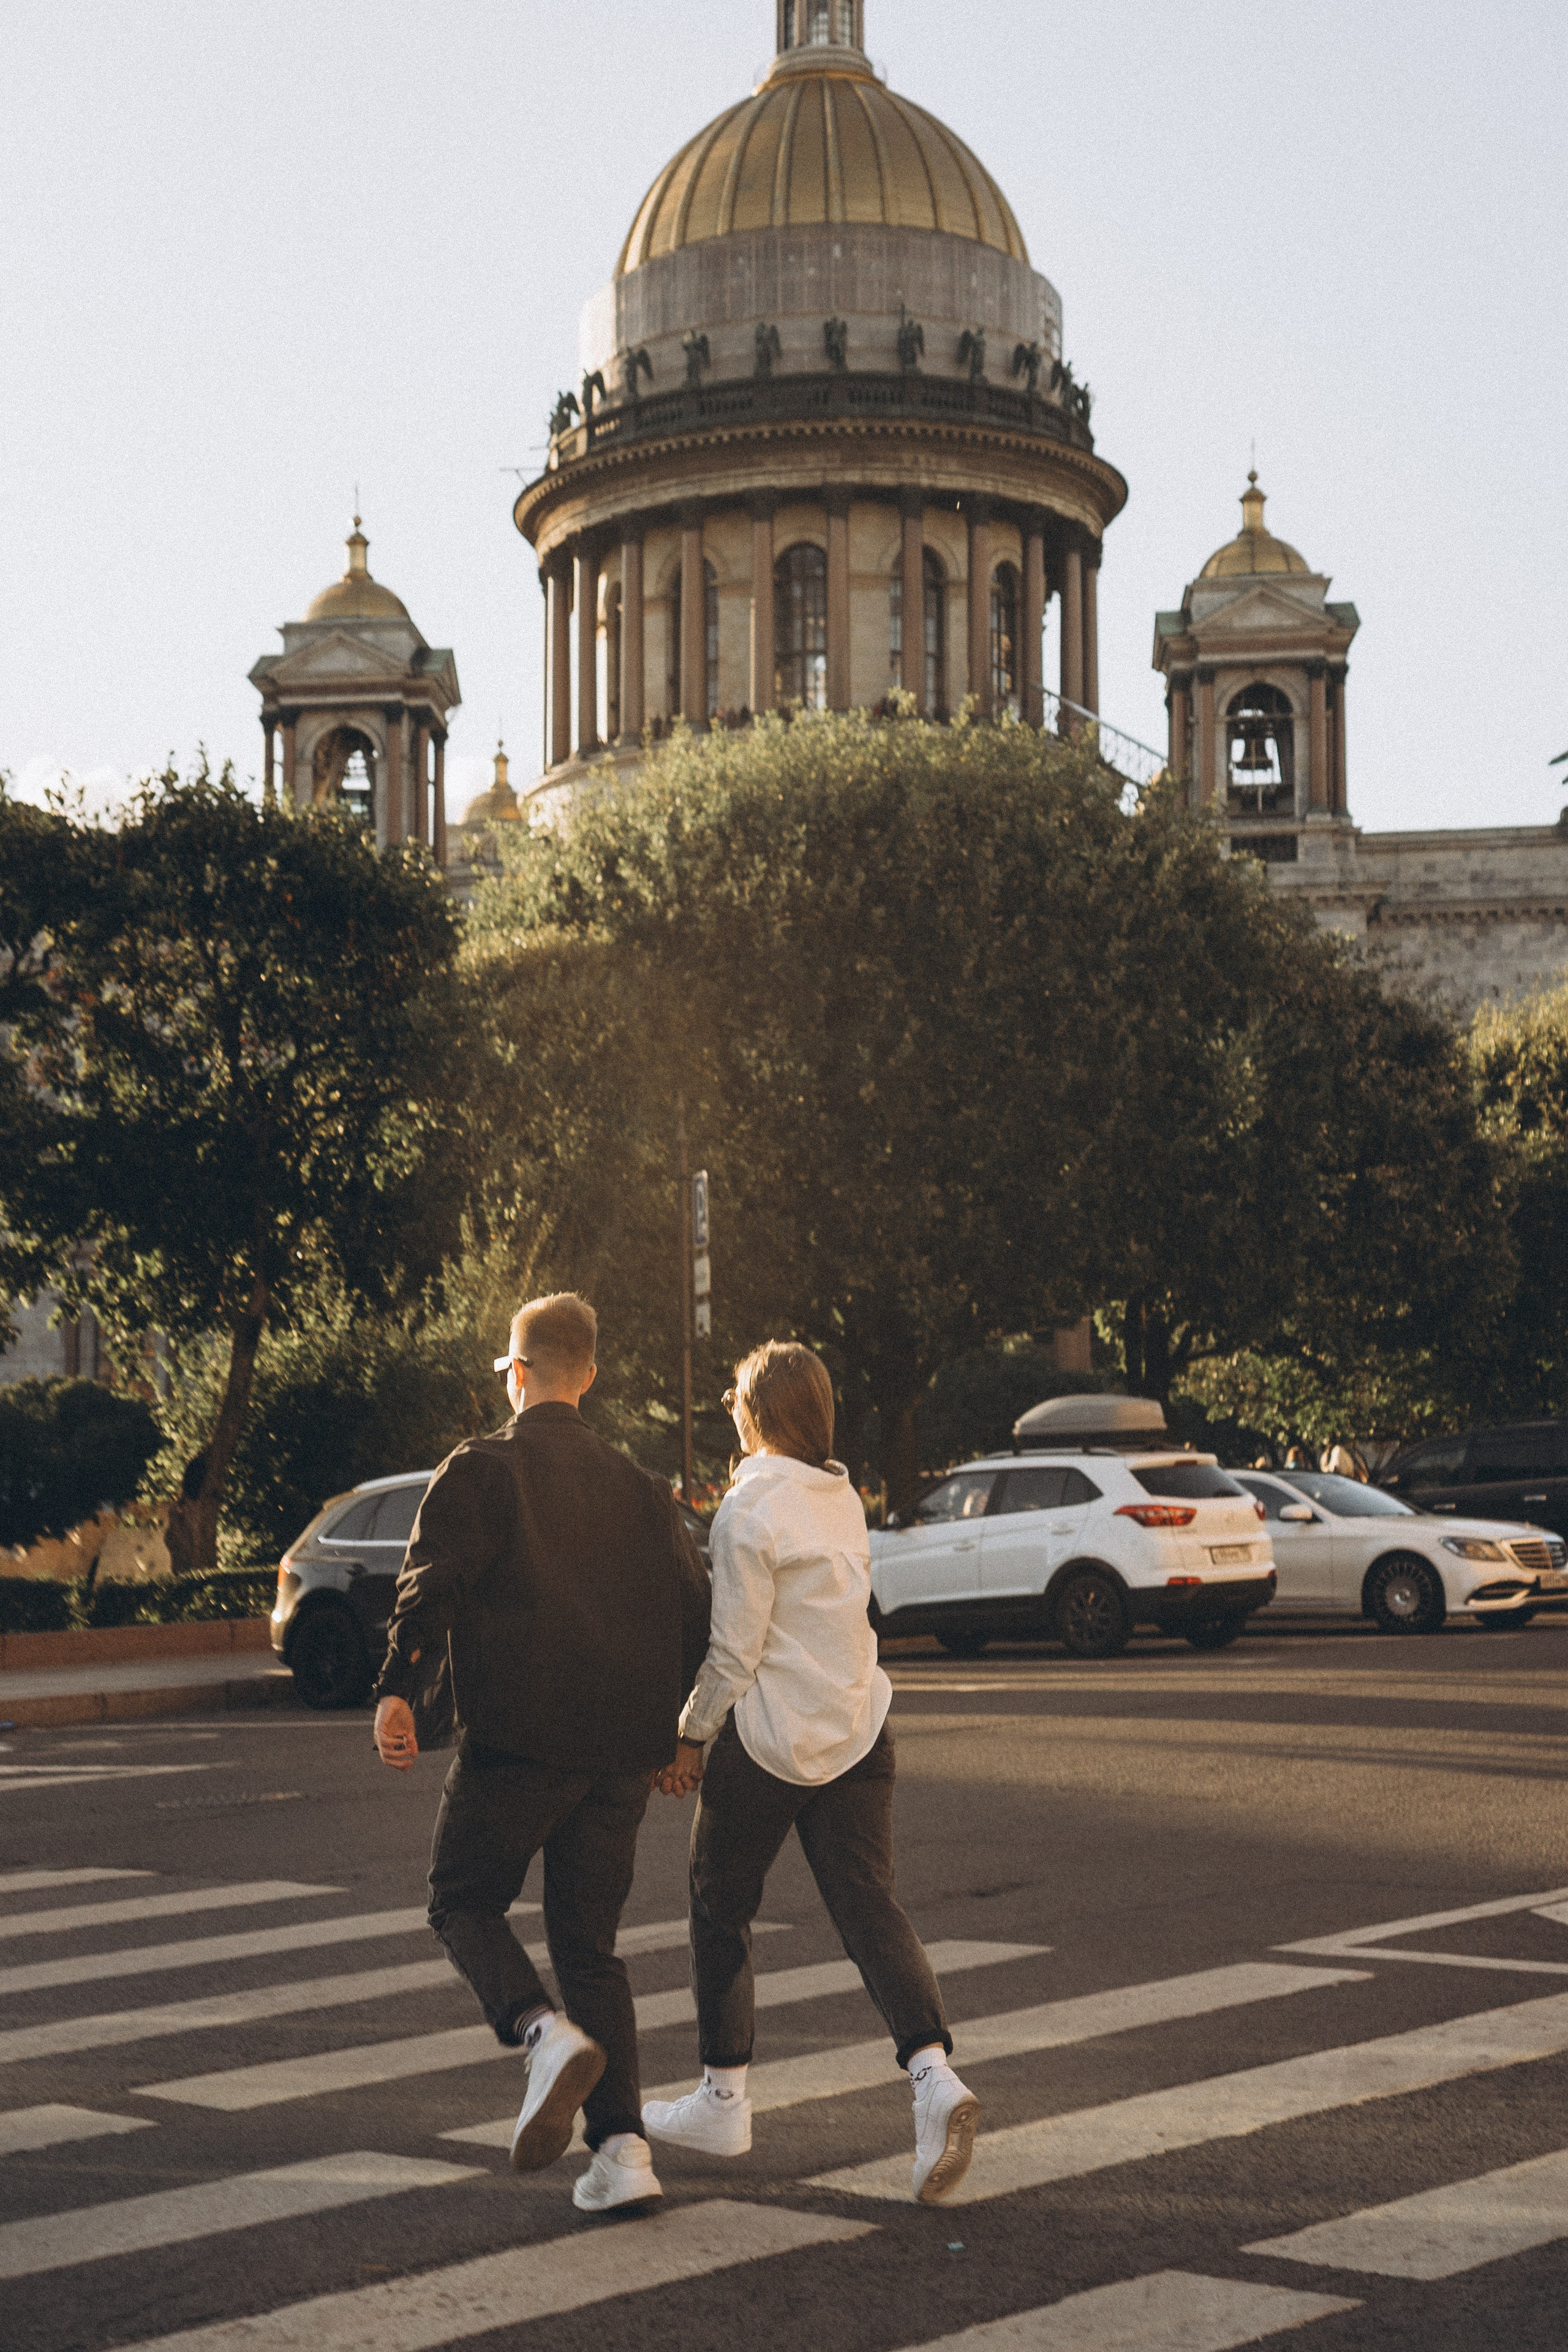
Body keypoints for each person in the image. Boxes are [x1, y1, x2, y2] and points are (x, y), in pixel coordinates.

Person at [372, 1292, 709, 2218]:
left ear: (517, 1373)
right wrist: (687, 1739)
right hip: (619, 1759)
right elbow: (697, 1616)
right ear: (589, 1375)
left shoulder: (483, 1470)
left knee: (461, 1897)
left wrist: (398, 1689)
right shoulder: (645, 1490)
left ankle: (536, 2031)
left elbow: (428, 1586)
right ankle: (626, 2153)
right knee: (591, 1948)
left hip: (520, 1743)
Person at [643, 1340, 979, 2205]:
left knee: (719, 1902)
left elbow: (732, 1652)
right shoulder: (841, 1497)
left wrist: (688, 1739)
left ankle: (724, 2100)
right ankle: (935, 2077)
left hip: (772, 1743)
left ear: (756, 1414)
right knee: (870, 1907)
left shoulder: (749, 1508)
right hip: (861, 1727)